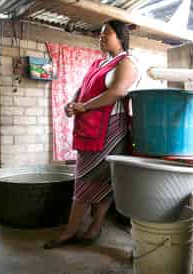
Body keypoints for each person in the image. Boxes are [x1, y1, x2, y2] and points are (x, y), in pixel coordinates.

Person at [44, 20, 139, 249]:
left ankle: (71, 231)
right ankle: (95, 227)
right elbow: (83, 87)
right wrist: (73, 102)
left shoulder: (127, 62)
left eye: (106, 33)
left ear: (120, 37)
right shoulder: (98, 63)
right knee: (98, 178)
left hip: (111, 129)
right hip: (91, 128)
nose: (101, 37)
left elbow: (116, 92)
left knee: (89, 179)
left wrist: (84, 107)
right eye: (100, 33)